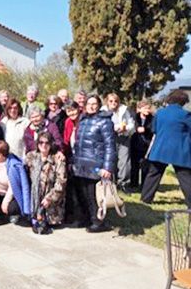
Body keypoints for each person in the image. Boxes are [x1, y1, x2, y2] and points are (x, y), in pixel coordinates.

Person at [72, 94, 116, 233]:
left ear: (99, 105)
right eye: (89, 104)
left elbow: (110, 146)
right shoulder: (83, 120)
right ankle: (87, 218)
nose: (91, 106)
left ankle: (98, 221)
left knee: (94, 195)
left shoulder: (105, 122)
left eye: (94, 104)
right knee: (83, 194)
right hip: (81, 163)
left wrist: (107, 167)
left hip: (95, 164)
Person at [142, 90, 191, 207]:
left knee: (153, 174)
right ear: (183, 102)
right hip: (180, 150)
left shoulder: (160, 113)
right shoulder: (186, 115)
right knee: (185, 177)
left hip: (160, 148)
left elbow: (154, 129)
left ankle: (146, 198)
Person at [25, 132, 67, 231]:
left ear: (51, 144)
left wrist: (49, 198)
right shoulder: (31, 156)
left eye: (47, 143)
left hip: (51, 201)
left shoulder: (58, 159)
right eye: (41, 142)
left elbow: (61, 182)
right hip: (35, 197)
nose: (44, 145)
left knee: (50, 223)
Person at [102, 93, 135, 191]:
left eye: (116, 101)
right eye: (111, 101)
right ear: (107, 102)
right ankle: (110, 182)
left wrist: (126, 128)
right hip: (109, 138)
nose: (114, 103)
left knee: (124, 162)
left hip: (123, 138)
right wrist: (115, 128)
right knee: (111, 160)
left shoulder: (124, 110)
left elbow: (131, 124)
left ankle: (123, 184)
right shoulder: (103, 111)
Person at [130, 100, 153, 190]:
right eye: (145, 108)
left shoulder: (152, 118)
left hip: (147, 144)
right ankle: (133, 184)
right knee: (134, 165)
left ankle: (144, 185)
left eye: (148, 108)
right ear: (140, 109)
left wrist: (145, 129)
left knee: (145, 165)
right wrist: (136, 129)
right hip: (135, 143)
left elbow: (153, 129)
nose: (147, 110)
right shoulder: (134, 117)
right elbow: (131, 126)